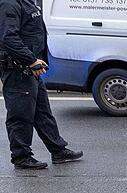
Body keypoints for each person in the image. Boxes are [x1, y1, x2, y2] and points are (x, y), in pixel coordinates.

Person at [0, 0, 83, 170]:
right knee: (20, 115)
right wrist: (30, 59)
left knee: (42, 112)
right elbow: (8, 37)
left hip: (32, 69)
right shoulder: (9, 3)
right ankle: (21, 157)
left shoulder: (26, 2)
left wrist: (37, 61)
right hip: (18, 70)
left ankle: (58, 150)